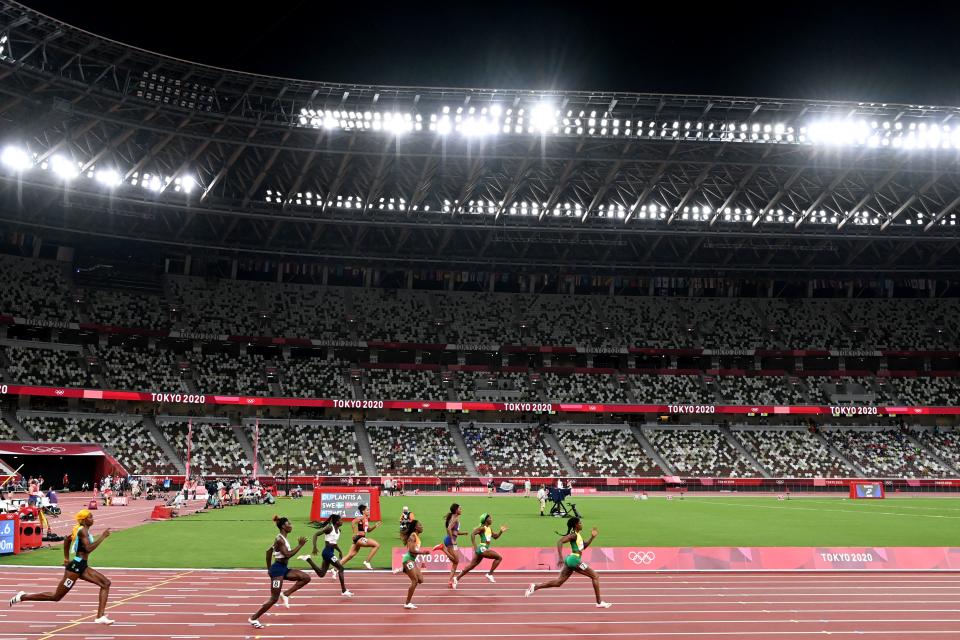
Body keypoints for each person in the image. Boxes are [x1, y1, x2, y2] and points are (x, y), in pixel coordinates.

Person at [8, 509, 115, 624]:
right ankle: (22, 597)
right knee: (56, 596)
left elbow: (66, 540)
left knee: (105, 583)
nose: (92, 519)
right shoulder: (82, 531)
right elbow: (88, 548)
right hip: (75, 568)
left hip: (81, 566)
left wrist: (66, 558)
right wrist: (103, 537)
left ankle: (100, 616)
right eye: (90, 517)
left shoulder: (81, 530)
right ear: (84, 520)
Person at [524, 516, 611, 608]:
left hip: (570, 559)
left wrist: (592, 537)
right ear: (575, 525)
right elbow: (560, 542)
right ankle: (599, 602)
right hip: (574, 560)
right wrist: (560, 557)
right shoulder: (573, 535)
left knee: (559, 582)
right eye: (580, 523)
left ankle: (535, 587)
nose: (582, 524)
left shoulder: (578, 535)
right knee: (595, 576)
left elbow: (583, 547)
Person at [248, 515, 312, 629]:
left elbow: (268, 552)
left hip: (283, 568)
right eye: (289, 524)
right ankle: (253, 618)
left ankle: (286, 594)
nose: (291, 526)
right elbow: (287, 554)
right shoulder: (280, 539)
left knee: (306, 577)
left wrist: (269, 568)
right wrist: (300, 545)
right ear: (283, 526)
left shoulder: (282, 538)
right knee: (274, 599)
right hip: (277, 571)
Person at [299, 514, 353, 597]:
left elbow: (334, 543)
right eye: (340, 520)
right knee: (341, 568)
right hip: (327, 552)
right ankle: (343, 590)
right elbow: (316, 534)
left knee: (321, 574)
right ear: (336, 521)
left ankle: (308, 559)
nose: (342, 521)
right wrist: (314, 547)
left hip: (330, 552)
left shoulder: (339, 531)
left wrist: (340, 551)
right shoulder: (329, 528)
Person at [456, 513, 508, 584]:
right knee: (499, 558)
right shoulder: (482, 528)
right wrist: (475, 547)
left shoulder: (489, 528)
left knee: (471, 566)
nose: (491, 519)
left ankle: (456, 578)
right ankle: (489, 574)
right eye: (490, 518)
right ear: (486, 520)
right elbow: (472, 534)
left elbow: (495, 537)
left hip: (482, 549)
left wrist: (501, 531)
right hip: (482, 548)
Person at [340, 504, 380, 570]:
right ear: (363, 511)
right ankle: (367, 561)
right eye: (367, 510)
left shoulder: (366, 519)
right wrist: (354, 533)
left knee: (350, 555)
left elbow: (368, 530)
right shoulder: (361, 517)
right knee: (376, 545)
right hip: (359, 538)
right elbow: (353, 522)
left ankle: (335, 568)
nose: (368, 511)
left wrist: (375, 526)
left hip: (360, 538)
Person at [399, 519, 429, 609]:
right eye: (420, 525)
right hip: (408, 560)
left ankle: (404, 569)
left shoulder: (417, 536)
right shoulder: (413, 536)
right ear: (416, 527)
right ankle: (407, 603)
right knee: (414, 581)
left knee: (421, 580)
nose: (422, 526)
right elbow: (411, 550)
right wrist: (422, 552)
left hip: (412, 561)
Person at [438, 503, 462, 589]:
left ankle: (450, 581)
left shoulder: (454, 517)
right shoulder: (455, 518)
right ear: (456, 510)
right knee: (456, 561)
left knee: (455, 562)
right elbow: (448, 528)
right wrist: (452, 539)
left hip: (452, 541)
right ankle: (442, 548)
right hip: (450, 541)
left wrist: (463, 533)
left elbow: (454, 531)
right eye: (460, 508)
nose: (461, 510)